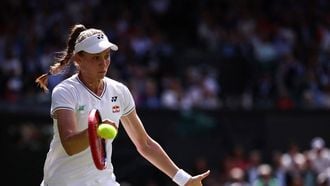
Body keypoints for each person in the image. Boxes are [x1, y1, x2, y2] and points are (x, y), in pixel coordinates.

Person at [35, 24, 210, 186]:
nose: (103, 63)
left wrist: (184, 180)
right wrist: (96, 130)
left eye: (106, 56)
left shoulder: (119, 91)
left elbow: (145, 144)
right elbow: (70, 145)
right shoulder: (65, 91)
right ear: (78, 59)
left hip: (103, 181)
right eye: (96, 57)